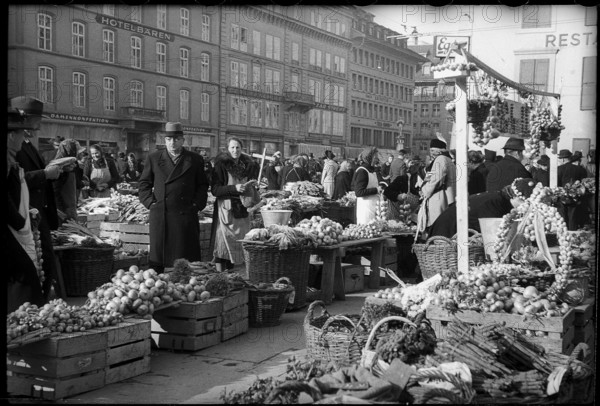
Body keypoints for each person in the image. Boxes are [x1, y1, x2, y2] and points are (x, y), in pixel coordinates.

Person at [138, 122, 209, 272]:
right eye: (169, 139)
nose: (172, 143)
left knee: (186, 263)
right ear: (164, 140)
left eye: (176, 139)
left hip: (186, 214)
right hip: (161, 214)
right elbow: (144, 184)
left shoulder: (195, 159)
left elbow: (203, 185)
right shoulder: (154, 158)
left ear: (183, 140)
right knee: (159, 261)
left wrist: (197, 205)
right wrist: (151, 203)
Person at [7, 96, 49, 312]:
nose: (24, 137)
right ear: (11, 136)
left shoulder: (12, 158)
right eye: (20, 133)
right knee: (24, 278)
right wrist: (19, 219)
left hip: (21, 223)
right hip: (13, 230)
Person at [15, 117, 62, 302]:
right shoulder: (16, 147)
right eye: (36, 120)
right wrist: (44, 174)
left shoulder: (28, 144)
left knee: (45, 259)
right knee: (38, 260)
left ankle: (41, 300)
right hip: (26, 211)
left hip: (37, 211)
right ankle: (35, 302)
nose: (39, 124)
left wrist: (56, 172)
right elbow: (17, 178)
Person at [210, 137, 259, 272]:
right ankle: (220, 275)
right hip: (225, 211)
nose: (235, 150)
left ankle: (234, 274)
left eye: (237, 147)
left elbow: (249, 187)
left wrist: (253, 187)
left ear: (241, 149)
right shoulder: (221, 165)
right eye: (232, 147)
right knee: (222, 245)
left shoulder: (247, 166)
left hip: (242, 212)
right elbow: (215, 190)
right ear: (227, 149)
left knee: (238, 244)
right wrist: (234, 188)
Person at [429, 178, 536, 238]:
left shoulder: (500, 199)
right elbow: (491, 234)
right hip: (445, 233)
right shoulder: (495, 204)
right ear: (517, 197)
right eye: (528, 204)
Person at [416, 138, 456, 238]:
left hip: (438, 198)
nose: (431, 153)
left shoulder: (440, 159)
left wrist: (424, 191)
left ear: (439, 150)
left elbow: (435, 179)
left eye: (433, 150)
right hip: (446, 198)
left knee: (436, 229)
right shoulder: (448, 159)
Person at [557, 149, 589, 230]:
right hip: (575, 196)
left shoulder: (559, 169)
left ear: (563, 159)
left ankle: (564, 236)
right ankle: (572, 234)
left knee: (563, 218)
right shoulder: (579, 169)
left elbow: (557, 183)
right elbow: (584, 183)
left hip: (562, 196)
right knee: (573, 217)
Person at [52, 139, 84, 220]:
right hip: (63, 208)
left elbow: (75, 184)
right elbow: (55, 190)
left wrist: (82, 180)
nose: (79, 154)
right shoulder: (58, 166)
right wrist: (60, 209)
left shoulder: (74, 164)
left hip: (71, 205)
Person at [352, 147, 383, 224]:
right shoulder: (362, 171)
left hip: (373, 205)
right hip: (365, 208)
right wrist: (376, 190)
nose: (377, 159)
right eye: (375, 157)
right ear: (369, 158)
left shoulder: (371, 170)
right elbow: (359, 192)